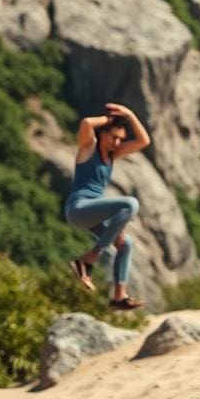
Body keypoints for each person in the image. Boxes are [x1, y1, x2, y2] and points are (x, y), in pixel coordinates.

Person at [66, 103, 150, 310]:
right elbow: (86, 123)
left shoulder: (112, 156)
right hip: (78, 208)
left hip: (93, 213)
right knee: (130, 203)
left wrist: (129, 114)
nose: (118, 142)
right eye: (114, 136)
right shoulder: (89, 147)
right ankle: (90, 257)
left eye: (121, 138)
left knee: (126, 244)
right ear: (102, 134)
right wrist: (108, 120)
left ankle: (119, 296)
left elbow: (144, 141)